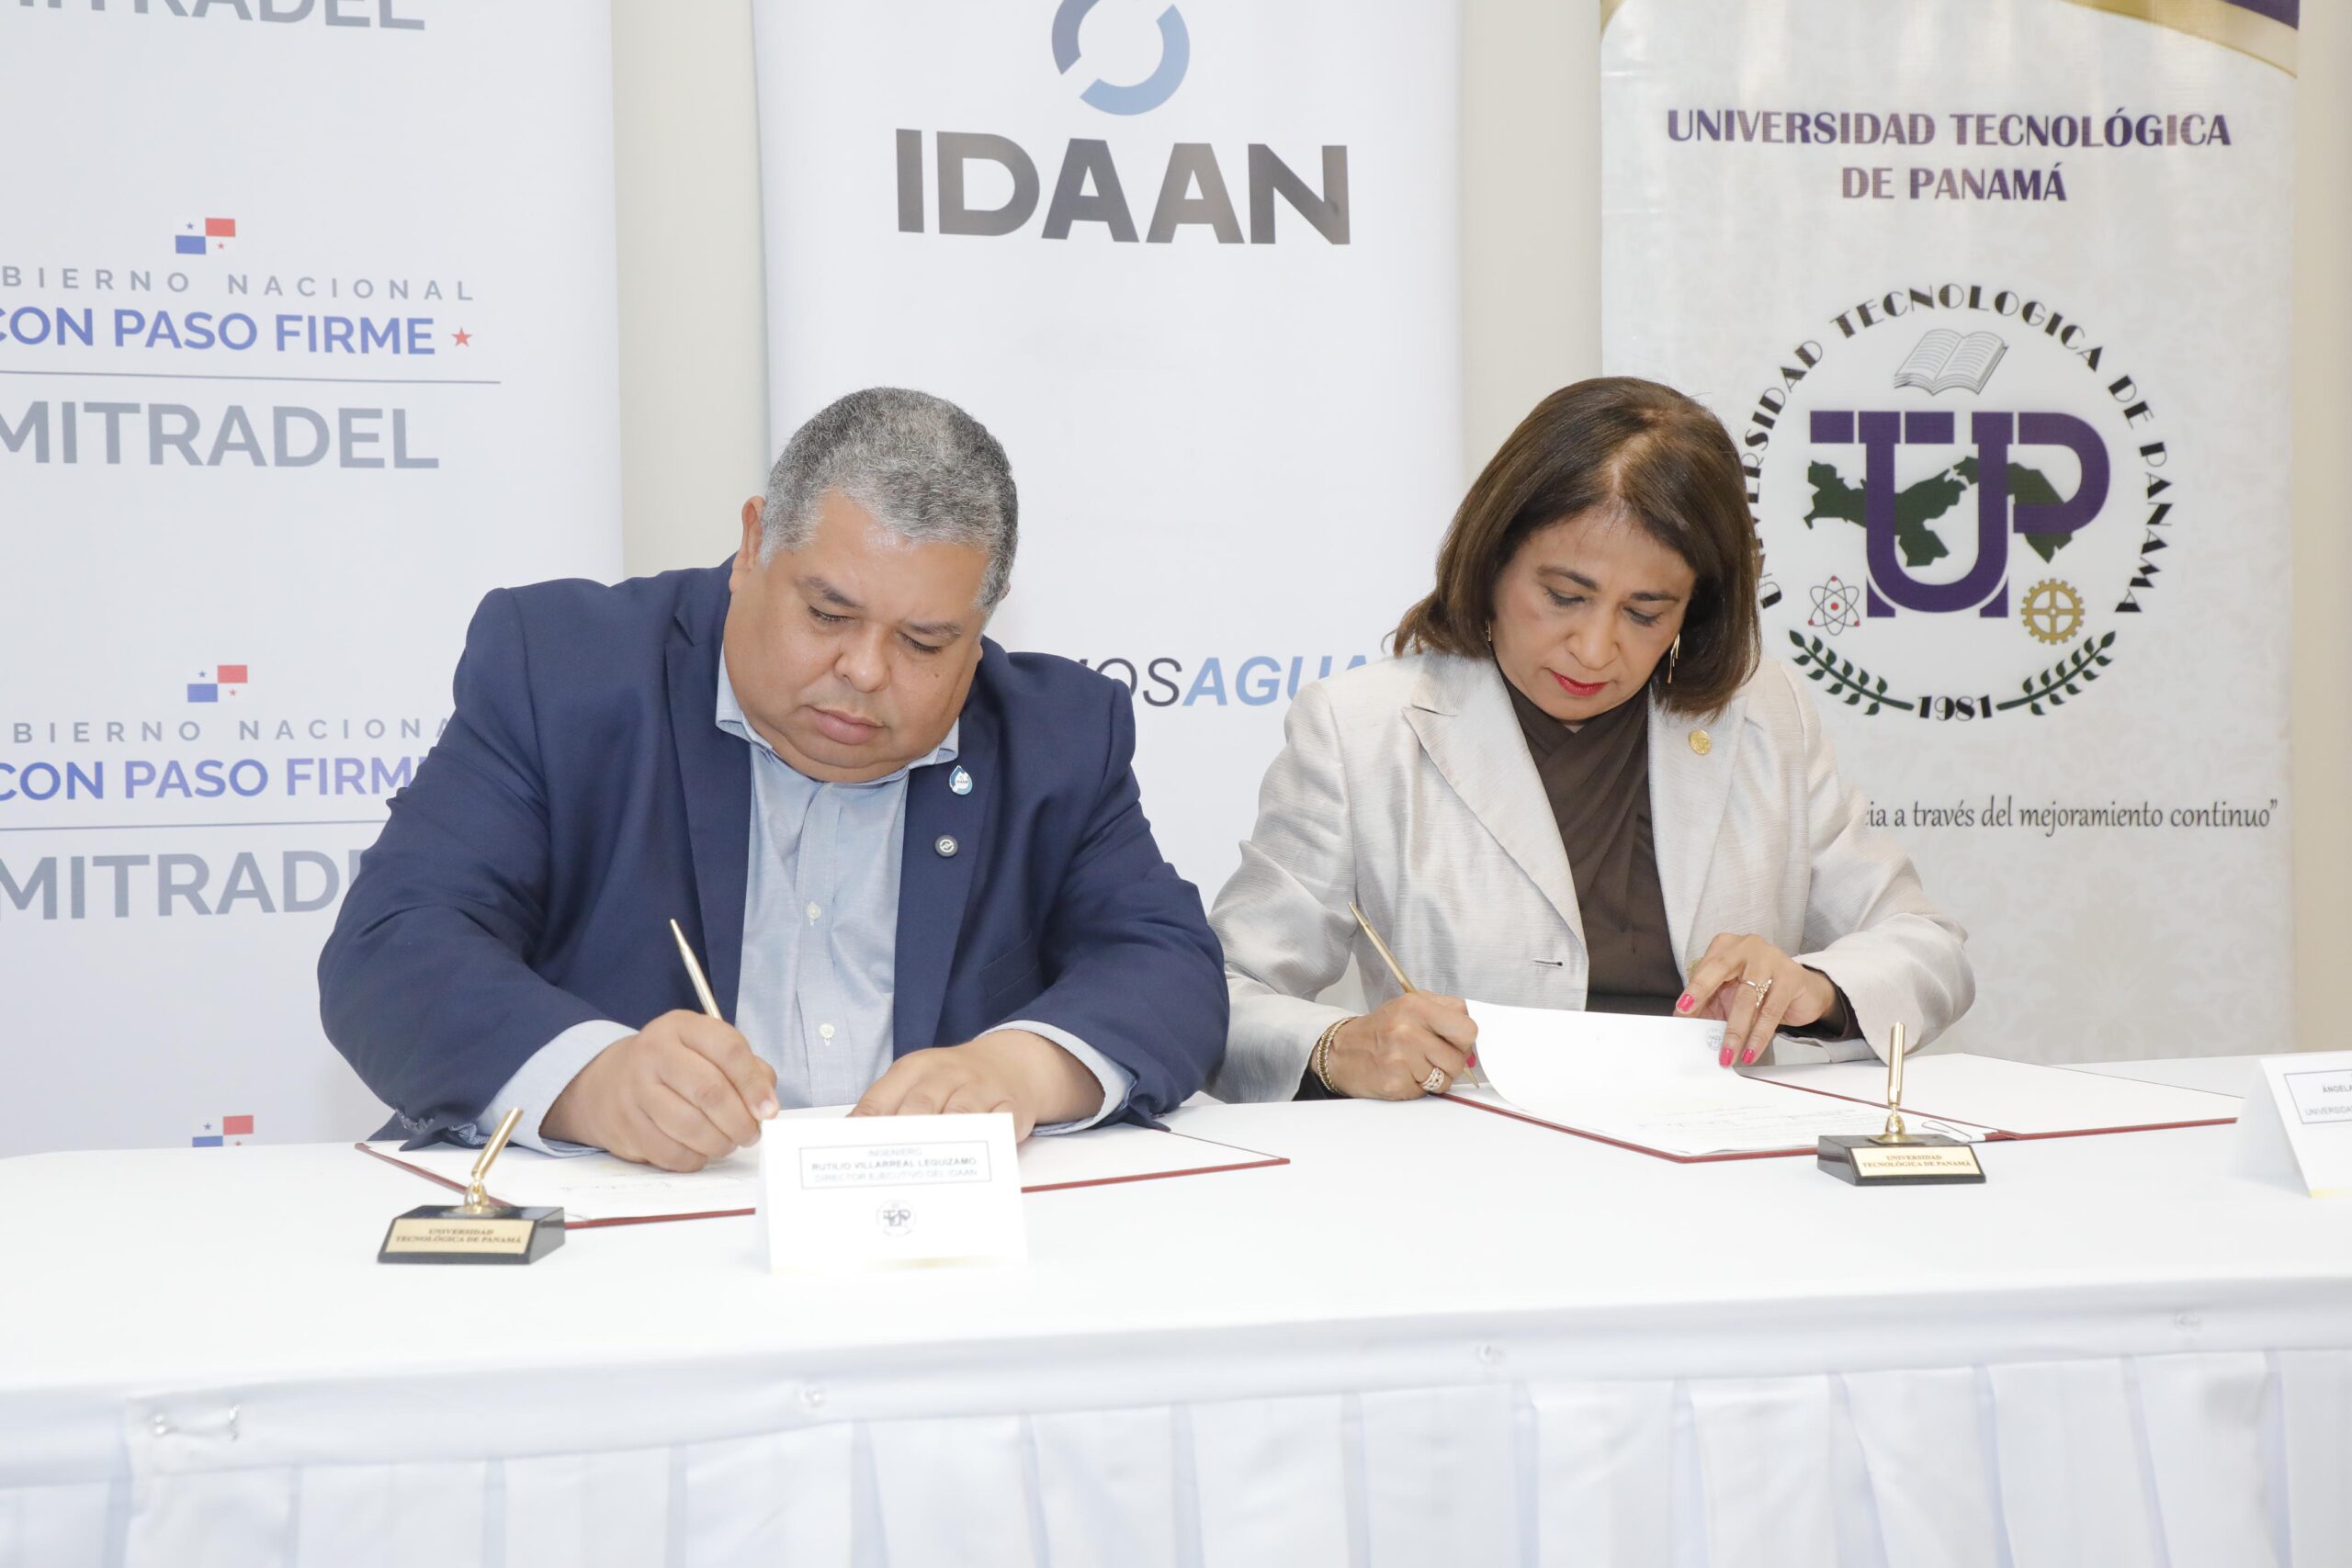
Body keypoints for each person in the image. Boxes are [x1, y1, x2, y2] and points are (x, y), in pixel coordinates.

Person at [321, 388, 1227, 1168]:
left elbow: (1167, 965)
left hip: (922, 1241)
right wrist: (594, 1081)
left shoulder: (1057, 735)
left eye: (924, 642)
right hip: (628, 1232)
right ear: (753, 544)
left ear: (982, 626)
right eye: (828, 614)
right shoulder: (563, 671)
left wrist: (1018, 1071)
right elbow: (394, 946)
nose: (864, 670)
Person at [1209, 378, 1972, 1104]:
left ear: (1695, 607)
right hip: (1473, 1170)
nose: (1595, 648)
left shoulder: (1763, 714)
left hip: (1722, 1163)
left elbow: (1928, 947)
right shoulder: (1359, 730)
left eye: (1645, 612)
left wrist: (1814, 987)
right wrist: (1340, 1045)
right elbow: (1227, 996)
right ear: (1493, 560)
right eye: (1565, 596)